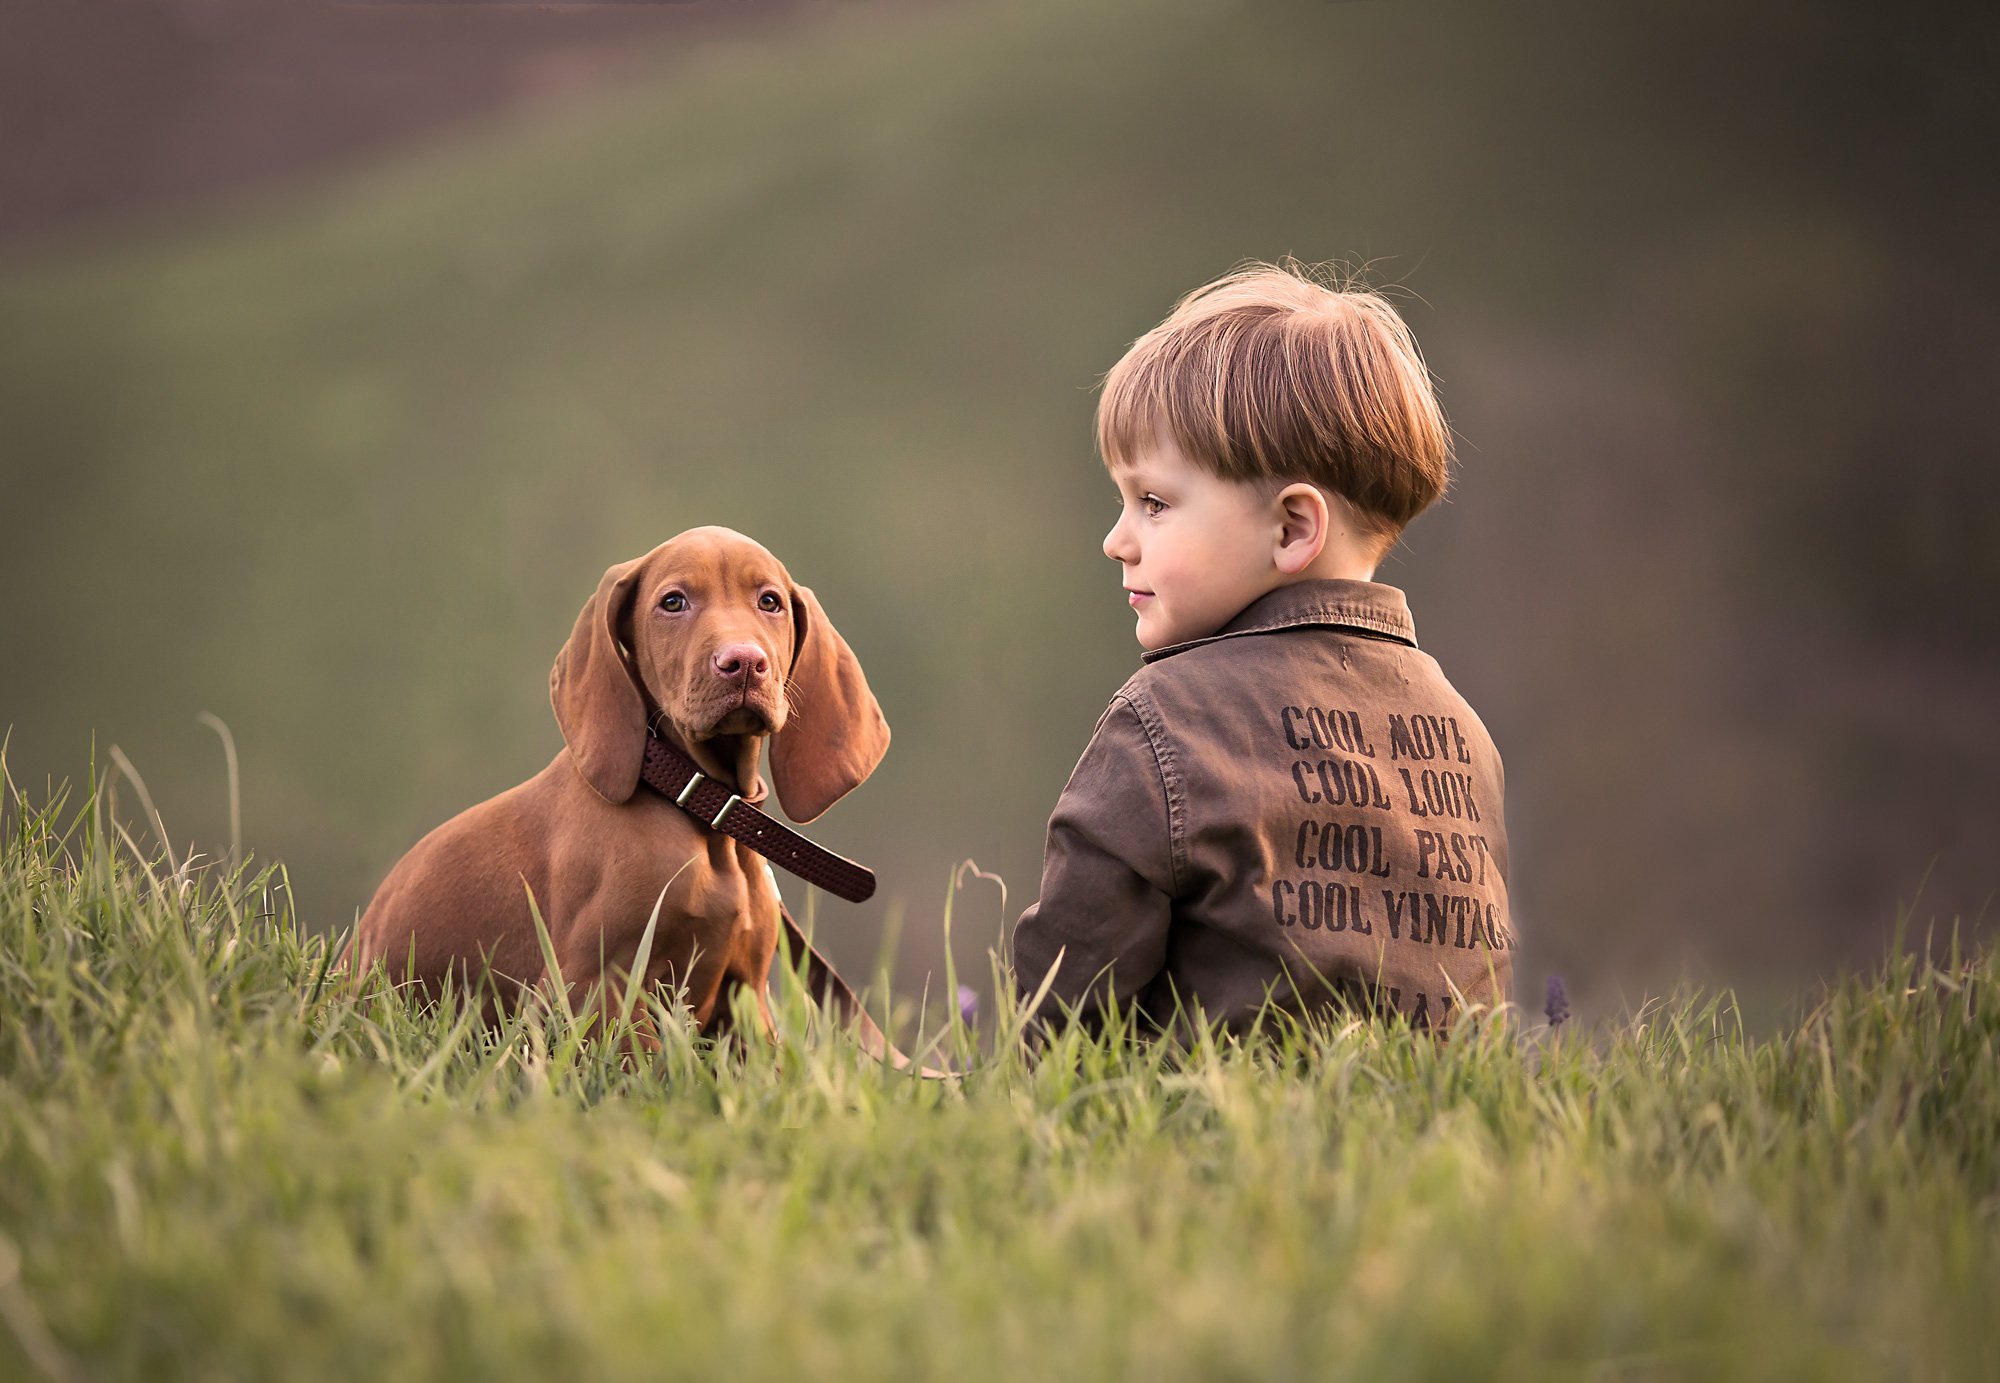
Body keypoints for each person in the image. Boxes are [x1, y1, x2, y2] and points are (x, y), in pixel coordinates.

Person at [1012, 259, 1515, 1038]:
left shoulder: (1163, 718)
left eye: (1153, 503)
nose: (1117, 541)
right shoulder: (1463, 734)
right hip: (1437, 1146)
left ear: (1291, 529)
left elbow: (1067, 996)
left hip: (1202, 1146)